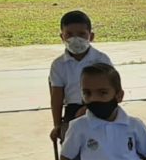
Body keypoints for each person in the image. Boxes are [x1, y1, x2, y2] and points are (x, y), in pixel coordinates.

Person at [48, 10, 112, 142]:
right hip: (72, 110)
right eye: (69, 34)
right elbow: (56, 97)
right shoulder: (59, 65)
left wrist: (89, 109)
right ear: (62, 37)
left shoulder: (101, 59)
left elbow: (111, 90)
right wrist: (57, 125)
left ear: (91, 36)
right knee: (71, 139)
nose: (75, 39)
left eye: (82, 34)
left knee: (106, 138)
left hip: (102, 106)